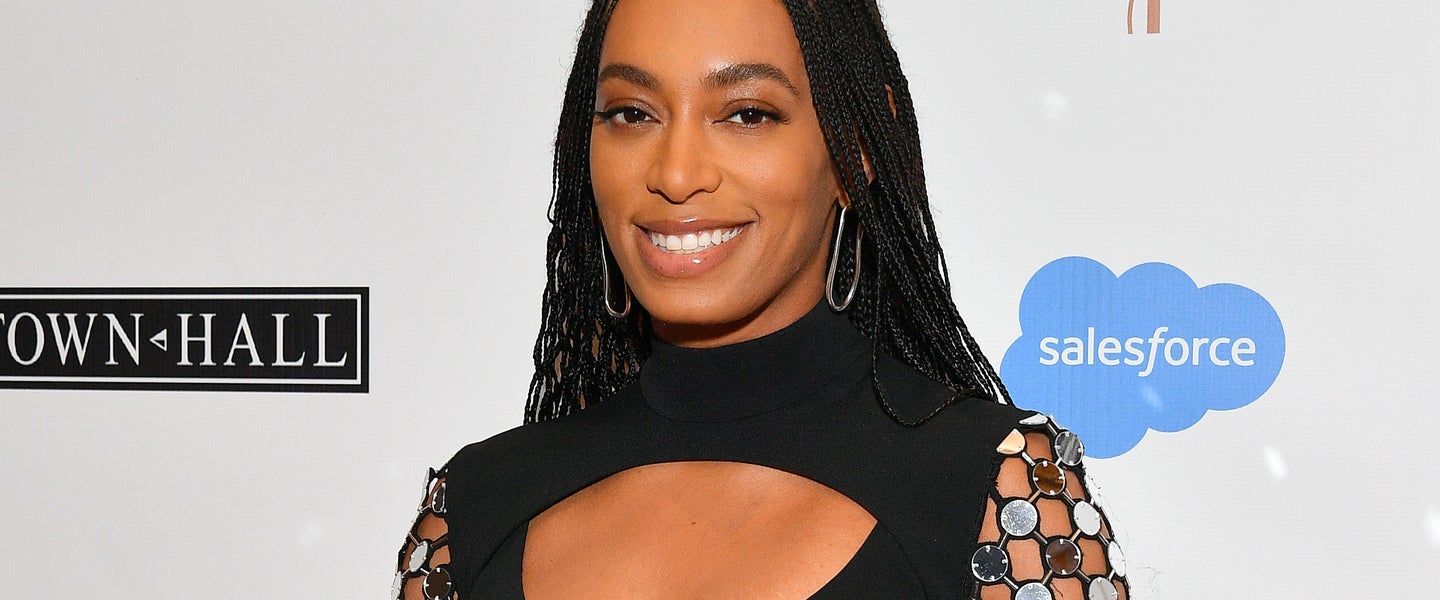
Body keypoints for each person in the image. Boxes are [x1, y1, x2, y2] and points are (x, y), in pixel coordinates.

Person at [395, 0, 1131, 598]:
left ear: (856, 149)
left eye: (747, 113)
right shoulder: (473, 509)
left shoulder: (994, 493)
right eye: (631, 113)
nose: (676, 173)